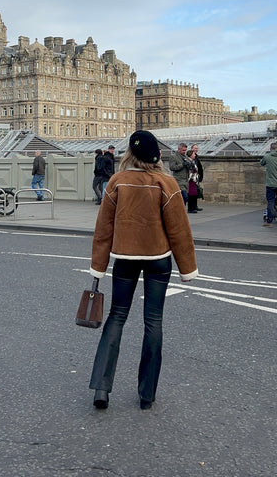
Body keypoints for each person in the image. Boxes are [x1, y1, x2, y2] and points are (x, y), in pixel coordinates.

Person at [88, 130, 198, 411]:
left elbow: (103, 230)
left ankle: (102, 388)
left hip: (125, 257)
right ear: (157, 156)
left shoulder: (117, 181)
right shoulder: (167, 183)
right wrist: (187, 269)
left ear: (130, 155)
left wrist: (98, 268)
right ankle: (147, 394)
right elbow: (179, 231)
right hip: (158, 259)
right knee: (153, 321)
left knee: (117, 316)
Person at [169, 142, 194, 207]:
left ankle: (181, 212)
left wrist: (191, 165)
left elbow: (189, 166)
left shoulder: (185, 156)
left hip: (185, 180)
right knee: (184, 197)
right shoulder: (174, 156)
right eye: (183, 150)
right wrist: (182, 165)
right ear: (179, 149)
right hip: (178, 180)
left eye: (185, 150)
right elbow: (172, 167)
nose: (184, 152)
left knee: (184, 199)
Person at [260, 142, 277, 227]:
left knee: (270, 201)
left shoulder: (267, 156)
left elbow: (261, 163)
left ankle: (269, 222)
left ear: (271, 149)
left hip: (270, 184)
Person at [190, 144, 204, 211]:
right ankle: (192, 207)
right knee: (192, 193)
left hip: (196, 177)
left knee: (195, 192)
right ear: (192, 149)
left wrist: (200, 177)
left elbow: (199, 168)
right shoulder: (190, 157)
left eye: (197, 148)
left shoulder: (196, 157)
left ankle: (195, 206)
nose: (196, 149)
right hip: (192, 178)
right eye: (195, 148)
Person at [186, 149, 199, 213]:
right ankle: (190, 208)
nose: (195, 155)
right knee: (191, 194)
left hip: (194, 180)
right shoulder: (189, 161)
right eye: (194, 154)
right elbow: (190, 171)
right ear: (191, 155)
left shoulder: (193, 161)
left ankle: (193, 207)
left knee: (194, 194)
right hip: (190, 180)